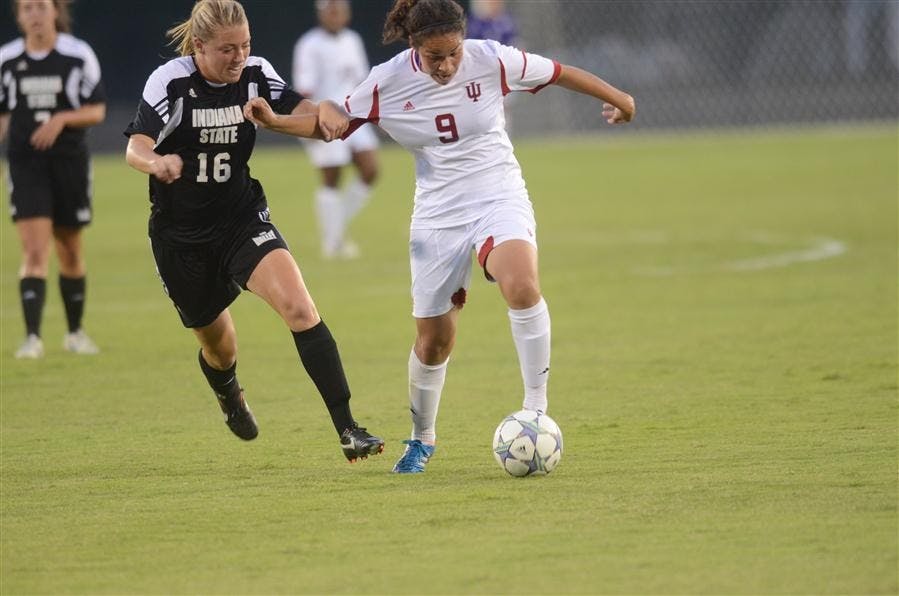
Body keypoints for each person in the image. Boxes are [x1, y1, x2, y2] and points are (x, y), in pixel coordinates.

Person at [249, 0, 636, 472]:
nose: (447, 65)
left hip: (498, 192)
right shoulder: (387, 81)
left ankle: (536, 409)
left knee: (521, 284)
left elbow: (558, 72)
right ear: (414, 47)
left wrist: (620, 98)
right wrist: (275, 122)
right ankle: (422, 439)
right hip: (437, 214)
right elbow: (327, 124)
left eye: (453, 53)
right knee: (433, 341)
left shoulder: (491, 57)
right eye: (435, 57)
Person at [123, 0, 384, 462]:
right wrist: (155, 161)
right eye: (227, 49)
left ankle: (349, 429)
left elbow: (312, 120)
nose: (239, 57)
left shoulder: (256, 74)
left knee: (300, 307)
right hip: (181, 237)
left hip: (242, 219)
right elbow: (136, 147)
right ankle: (230, 394)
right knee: (219, 348)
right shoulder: (172, 81)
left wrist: (303, 117)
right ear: (200, 47)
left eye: (245, 45)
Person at [0, 0, 106, 359]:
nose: (34, 15)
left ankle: (75, 333)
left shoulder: (77, 55)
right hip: (26, 164)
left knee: (70, 250)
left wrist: (61, 119)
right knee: (34, 250)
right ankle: (32, 338)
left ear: (55, 12)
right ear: (18, 16)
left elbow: (97, 109)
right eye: (26, 8)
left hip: (68, 163)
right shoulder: (7, 60)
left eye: (40, 7)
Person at [292, 0, 379, 259]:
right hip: (324, 119)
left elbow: (362, 81)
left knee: (371, 169)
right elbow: (304, 89)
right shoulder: (309, 45)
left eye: (340, 10)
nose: (336, 15)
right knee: (332, 177)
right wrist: (310, 126)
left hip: (352, 115)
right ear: (321, 14)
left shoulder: (353, 40)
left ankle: (335, 230)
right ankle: (332, 243)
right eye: (330, 10)